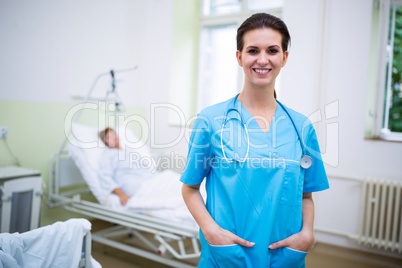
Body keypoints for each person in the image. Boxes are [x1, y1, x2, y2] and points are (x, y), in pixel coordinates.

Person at [180, 13, 329, 267]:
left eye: (272, 50)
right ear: (239, 57)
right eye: (253, 50)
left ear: (284, 57)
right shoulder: (211, 120)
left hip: (283, 257)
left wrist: (307, 234)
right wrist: (211, 231)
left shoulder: (301, 127)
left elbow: (306, 195)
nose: (262, 60)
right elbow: (190, 188)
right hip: (226, 255)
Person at [98, 127, 155, 206]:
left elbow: (145, 166)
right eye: (109, 137)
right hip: (135, 184)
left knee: (171, 178)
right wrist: (121, 194)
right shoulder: (108, 155)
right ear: (105, 142)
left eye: (114, 134)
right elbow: (105, 178)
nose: (113, 137)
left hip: (149, 179)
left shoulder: (129, 151)